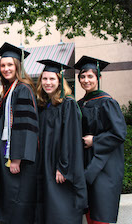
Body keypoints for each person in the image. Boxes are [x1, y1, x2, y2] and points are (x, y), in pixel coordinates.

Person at [0, 42, 39, 224]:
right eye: (3, 66)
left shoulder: (22, 90)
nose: (6, 69)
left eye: (10, 65)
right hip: (7, 157)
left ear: (18, 66)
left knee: (16, 203)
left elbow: (25, 126)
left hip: (16, 160)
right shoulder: (8, 91)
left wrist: (17, 158)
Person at [75, 56, 127, 224]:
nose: (86, 80)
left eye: (90, 76)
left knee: (101, 213)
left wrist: (95, 140)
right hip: (86, 164)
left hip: (104, 166)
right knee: (89, 211)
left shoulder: (107, 102)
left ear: (98, 78)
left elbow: (119, 133)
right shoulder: (80, 103)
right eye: (82, 77)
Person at [36, 59, 87, 224]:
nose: (48, 83)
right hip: (46, 165)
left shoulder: (68, 104)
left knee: (61, 210)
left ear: (59, 81)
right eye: (44, 79)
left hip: (60, 168)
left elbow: (71, 138)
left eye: (52, 79)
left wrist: (63, 167)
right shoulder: (45, 106)